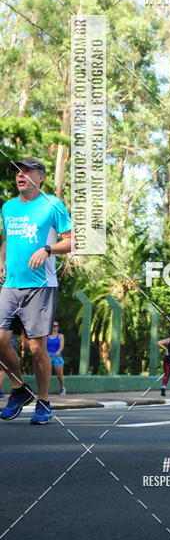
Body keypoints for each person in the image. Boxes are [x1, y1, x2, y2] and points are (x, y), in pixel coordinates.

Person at [0, 158, 72, 425]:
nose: (21, 175)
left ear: (40, 177)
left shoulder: (53, 205)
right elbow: (7, 239)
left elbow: (71, 241)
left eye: (27, 171)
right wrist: (1, 261)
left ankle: (43, 401)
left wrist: (47, 249)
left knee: (35, 347)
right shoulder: (8, 208)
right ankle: (20, 390)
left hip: (40, 285)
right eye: (18, 171)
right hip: (10, 285)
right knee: (0, 341)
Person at [46, 321, 67, 395]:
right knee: (47, 374)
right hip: (47, 356)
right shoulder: (46, 336)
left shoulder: (60, 336)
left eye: (57, 326)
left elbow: (61, 346)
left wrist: (58, 351)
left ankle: (62, 387)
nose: (55, 327)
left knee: (59, 374)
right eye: (54, 326)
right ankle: (45, 390)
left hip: (57, 355)